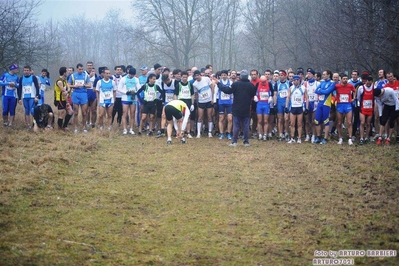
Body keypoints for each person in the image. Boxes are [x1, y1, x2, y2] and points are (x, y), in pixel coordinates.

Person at [217, 70, 257, 147]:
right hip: (246, 107)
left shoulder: (236, 84)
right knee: (246, 125)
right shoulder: (251, 85)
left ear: (241, 77)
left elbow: (227, 91)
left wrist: (219, 84)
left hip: (237, 107)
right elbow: (253, 94)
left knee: (236, 125)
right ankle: (246, 141)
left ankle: (234, 141)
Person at [68, 63, 92, 133]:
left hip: (83, 94)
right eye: (79, 69)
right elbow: (68, 84)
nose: (81, 70)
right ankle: (75, 127)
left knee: (84, 112)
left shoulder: (85, 76)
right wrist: (74, 86)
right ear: (77, 69)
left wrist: (84, 85)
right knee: (75, 112)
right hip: (75, 94)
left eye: (82, 69)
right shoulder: (72, 76)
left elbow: (89, 85)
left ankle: (84, 127)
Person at [314, 70, 336, 144]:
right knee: (317, 120)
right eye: (322, 74)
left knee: (326, 120)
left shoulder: (332, 83)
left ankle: (325, 138)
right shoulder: (322, 82)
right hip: (320, 104)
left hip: (326, 104)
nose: (323, 76)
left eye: (324, 74)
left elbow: (328, 92)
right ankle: (318, 137)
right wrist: (323, 90)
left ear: (329, 75)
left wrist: (322, 90)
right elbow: (316, 90)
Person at [118, 67, 141, 135]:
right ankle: (125, 129)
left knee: (132, 114)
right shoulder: (123, 79)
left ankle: (131, 129)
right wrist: (125, 92)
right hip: (125, 98)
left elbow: (139, 88)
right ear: (128, 73)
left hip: (133, 98)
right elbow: (119, 89)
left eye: (133, 75)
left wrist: (136, 92)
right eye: (131, 75)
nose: (132, 76)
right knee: (125, 113)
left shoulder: (136, 79)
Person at [285, 75, 308, 143]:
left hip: (300, 107)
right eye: (294, 80)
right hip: (293, 107)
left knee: (299, 123)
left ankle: (299, 138)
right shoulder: (291, 88)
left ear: (299, 80)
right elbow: (288, 97)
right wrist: (286, 107)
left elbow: (307, 98)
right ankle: (292, 137)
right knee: (292, 123)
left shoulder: (303, 88)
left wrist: (307, 108)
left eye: (297, 80)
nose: (296, 81)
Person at [192, 69, 215, 138]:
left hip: (209, 100)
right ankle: (199, 133)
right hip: (201, 101)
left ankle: (209, 132)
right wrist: (197, 101)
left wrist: (212, 98)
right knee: (200, 117)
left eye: (198, 75)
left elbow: (212, 87)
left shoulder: (206, 79)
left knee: (209, 116)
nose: (197, 77)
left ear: (200, 75)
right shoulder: (194, 84)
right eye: (195, 76)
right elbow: (196, 94)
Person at [335, 74, 356, 145]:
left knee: (349, 122)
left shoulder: (350, 85)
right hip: (340, 105)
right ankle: (340, 138)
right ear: (341, 79)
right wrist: (334, 98)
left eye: (346, 79)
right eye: (344, 79)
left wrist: (354, 98)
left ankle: (350, 138)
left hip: (348, 105)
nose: (345, 80)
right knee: (339, 122)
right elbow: (332, 91)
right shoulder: (337, 86)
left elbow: (354, 90)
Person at [173, 71, 195, 138]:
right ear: (181, 77)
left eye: (186, 77)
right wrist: (176, 103)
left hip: (188, 102)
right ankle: (180, 132)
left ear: (187, 77)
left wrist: (192, 104)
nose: (184, 78)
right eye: (183, 77)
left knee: (187, 117)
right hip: (180, 102)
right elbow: (175, 95)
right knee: (180, 118)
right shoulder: (178, 85)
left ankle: (188, 132)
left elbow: (192, 95)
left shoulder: (190, 84)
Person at [254, 75, 274, 141]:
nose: (263, 83)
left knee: (266, 121)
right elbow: (254, 92)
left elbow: (272, 92)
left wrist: (271, 97)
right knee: (259, 120)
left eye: (264, 81)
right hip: (259, 103)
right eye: (261, 82)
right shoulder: (257, 84)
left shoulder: (269, 84)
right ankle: (260, 134)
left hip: (266, 104)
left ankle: (265, 134)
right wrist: (255, 96)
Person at [215, 70, 233, 140]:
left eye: (225, 75)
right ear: (220, 76)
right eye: (222, 75)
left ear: (227, 75)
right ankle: (221, 133)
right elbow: (216, 93)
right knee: (221, 118)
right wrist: (214, 101)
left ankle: (229, 133)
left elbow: (232, 92)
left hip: (229, 103)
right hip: (221, 102)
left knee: (230, 119)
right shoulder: (218, 83)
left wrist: (233, 100)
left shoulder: (230, 82)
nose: (224, 76)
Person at [54, 67, 73, 131]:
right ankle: (60, 128)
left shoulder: (64, 80)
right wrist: (67, 91)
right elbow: (64, 92)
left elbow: (68, 88)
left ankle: (64, 126)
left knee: (70, 112)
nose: (67, 73)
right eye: (66, 71)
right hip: (60, 100)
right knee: (61, 114)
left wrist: (67, 91)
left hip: (64, 99)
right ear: (64, 73)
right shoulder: (59, 81)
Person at [303, 68, 319, 142]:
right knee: (306, 121)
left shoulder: (317, 83)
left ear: (313, 75)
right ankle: (307, 135)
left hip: (314, 103)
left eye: (310, 74)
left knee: (313, 121)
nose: (308, 75)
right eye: (307, 74)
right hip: (307, 103)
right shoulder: (305, 83)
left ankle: (313, 135)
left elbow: (319, 93)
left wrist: (317, 101)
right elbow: (303, 94)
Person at [357, 76, 374, 144]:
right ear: (365, 81)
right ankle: (361, 138)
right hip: (363, 108)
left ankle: (366, 137)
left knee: (368, 123)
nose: (368, 83)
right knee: (362, 122)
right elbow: (358, 97)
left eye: (370, 81)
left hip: (370, 108)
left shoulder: (374, 87)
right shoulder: (361, 88)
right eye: (367, 81)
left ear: (371, 82)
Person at [276, 70, 290, 141]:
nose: (280, 77)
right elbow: (275, 94)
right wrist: (275, 104)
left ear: (285, 76)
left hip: (287, 103)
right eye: (279, 75)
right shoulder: (277, 83)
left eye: (281, 75)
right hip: (279, 103)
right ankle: (280, 134)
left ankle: (286, 133)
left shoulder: (289, 83)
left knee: (286, 119)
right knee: (280, 119)